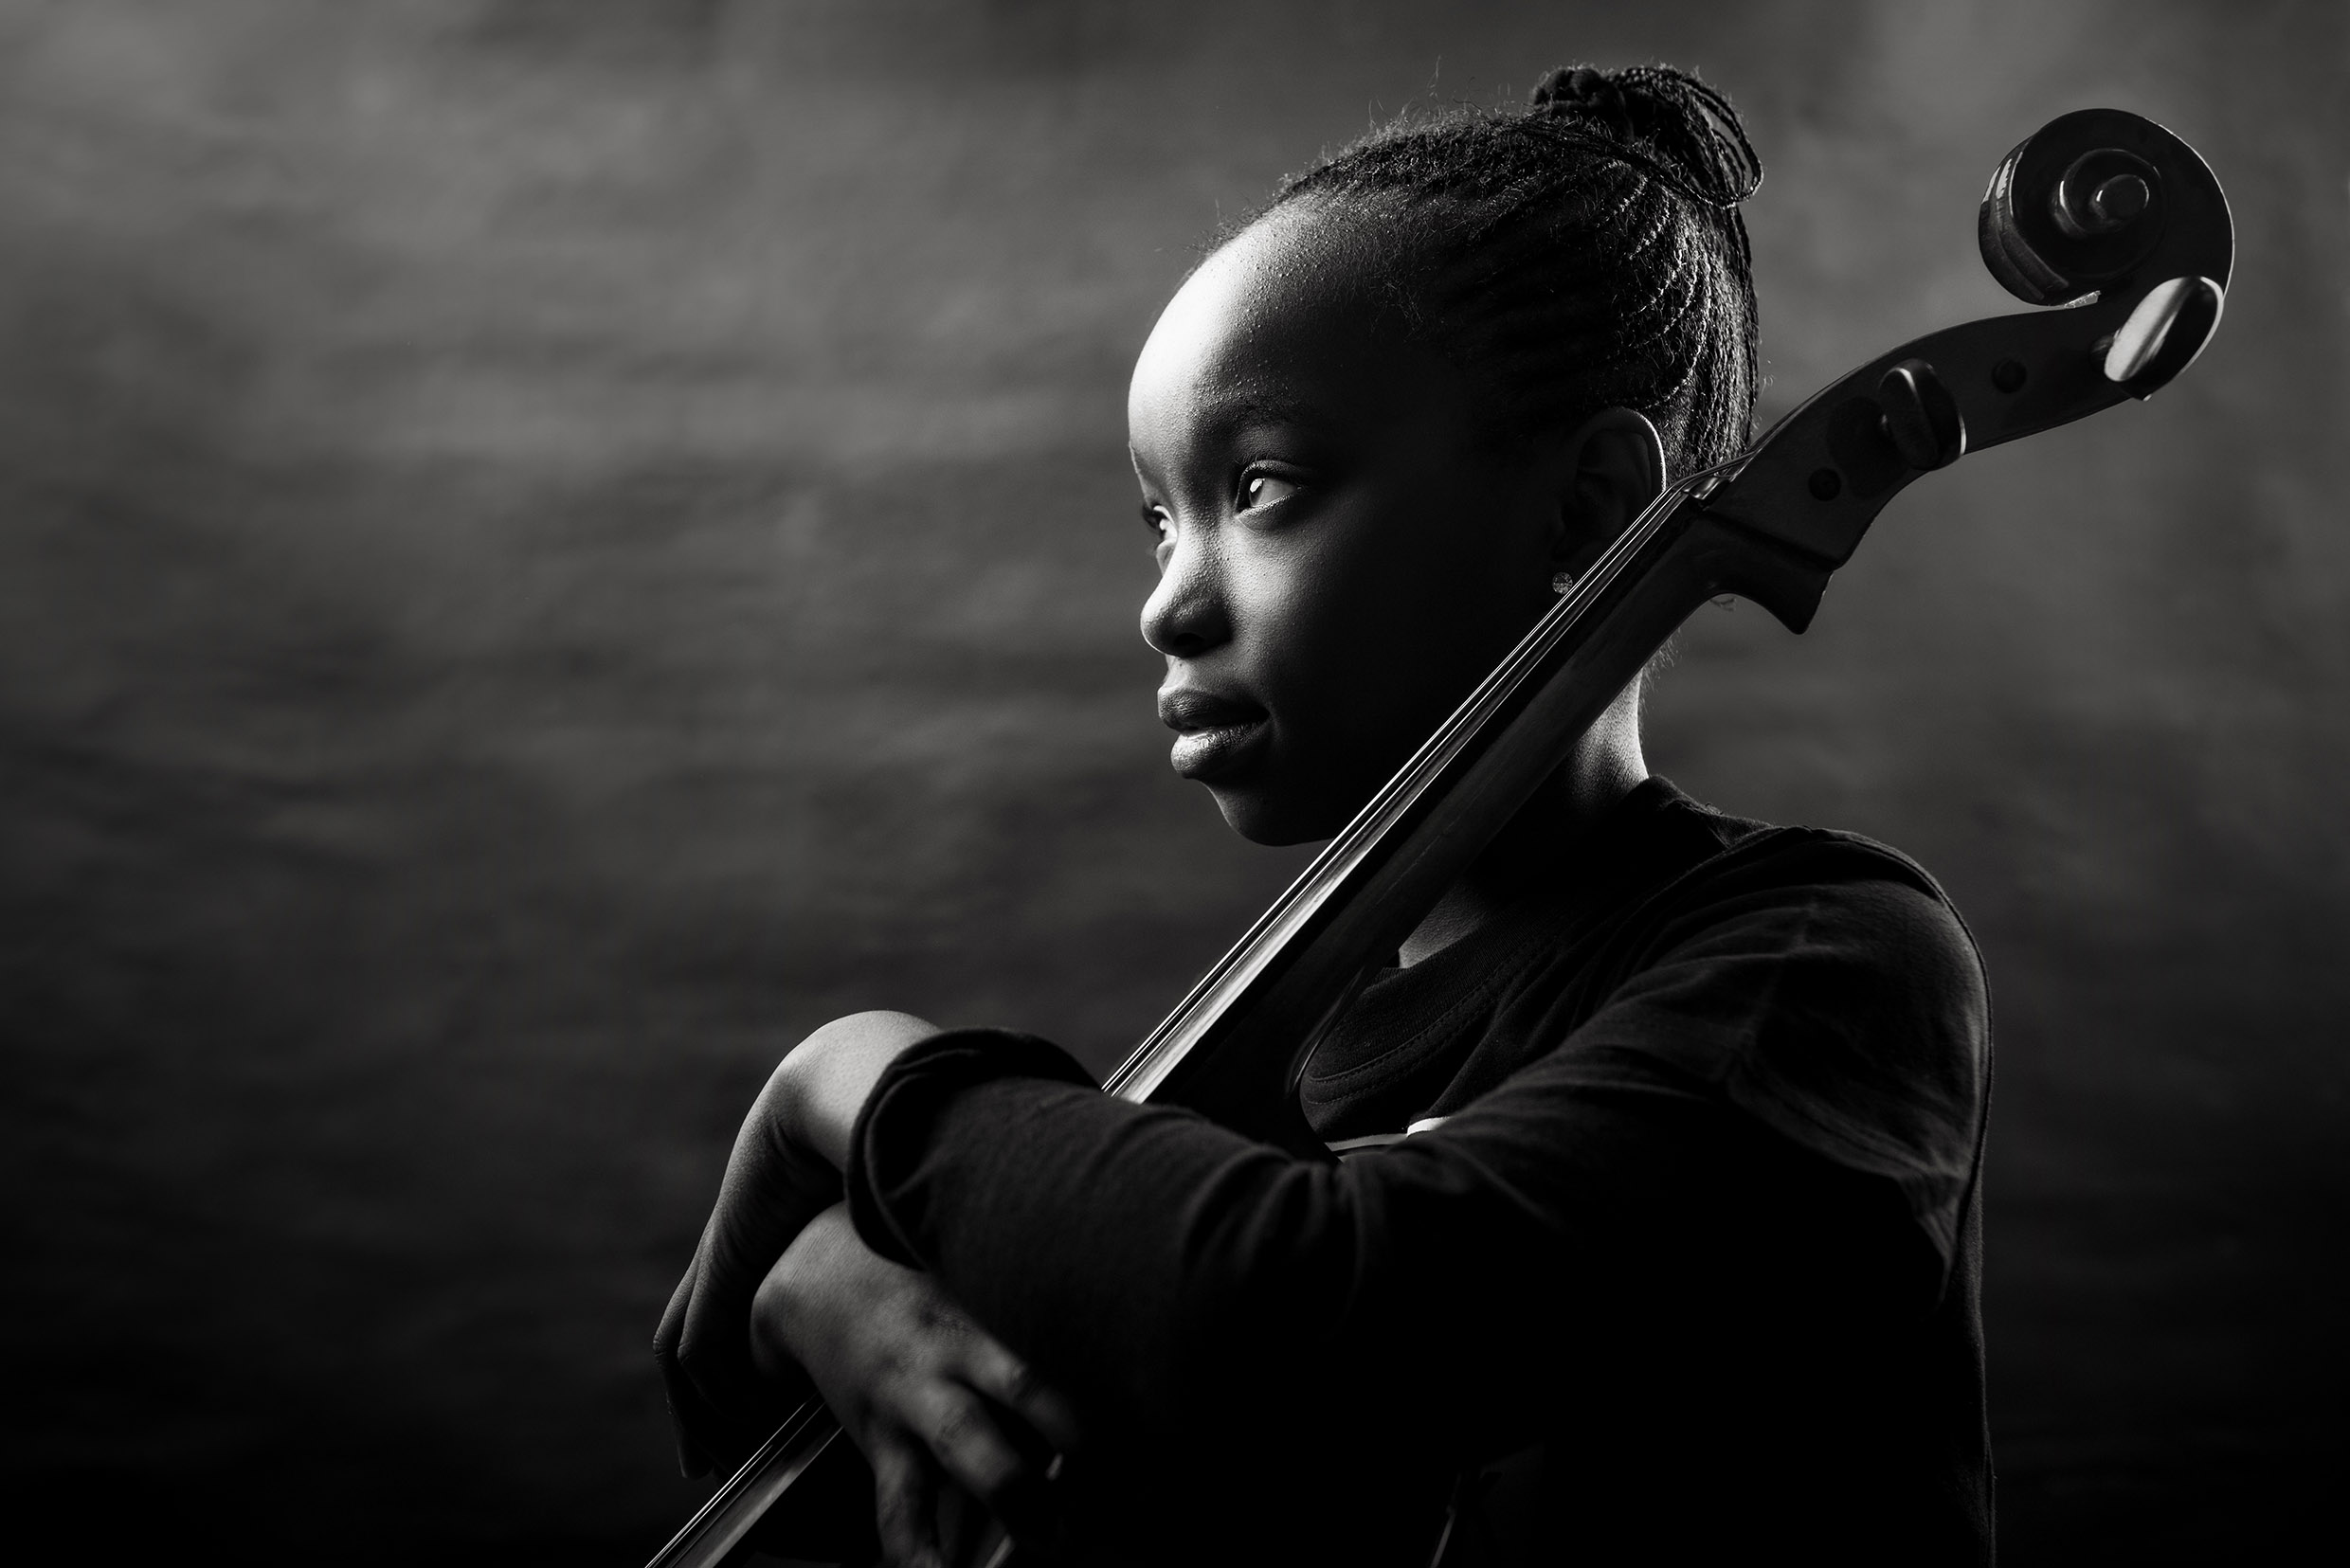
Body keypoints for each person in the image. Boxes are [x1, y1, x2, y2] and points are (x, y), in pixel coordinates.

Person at [657, 63, 1994, 1568]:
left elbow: (1310, 1321)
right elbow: (748, 1487)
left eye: (1263, 486)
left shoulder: (1819, 973)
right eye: (1161, 517)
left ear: (1590, 513)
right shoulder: (1257, 1087)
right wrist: (816, 1295)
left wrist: (843, 1080)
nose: (1169, 602)